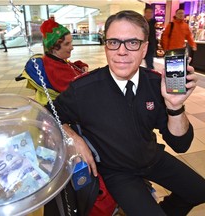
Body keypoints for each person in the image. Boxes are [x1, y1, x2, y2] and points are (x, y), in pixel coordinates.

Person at [46, 10, 205, 215]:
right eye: (114, 42)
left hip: (151, 158)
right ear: (106, 47)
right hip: (117, 171)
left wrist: (175, 106)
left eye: (132, 43)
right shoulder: (83, 89)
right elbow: (48, 114)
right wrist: (74, 138)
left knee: (199, 191)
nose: (121, 51)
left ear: (145, 48)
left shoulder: (156, 83)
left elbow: (180, 145)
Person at [19, 18, 89, 105]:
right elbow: (80, 89)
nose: (72, 47)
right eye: (67, 44)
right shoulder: (55, 69)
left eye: (71, 43)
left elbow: (69, 65)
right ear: (54, 47)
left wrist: (81, 65)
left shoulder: (53, 60)